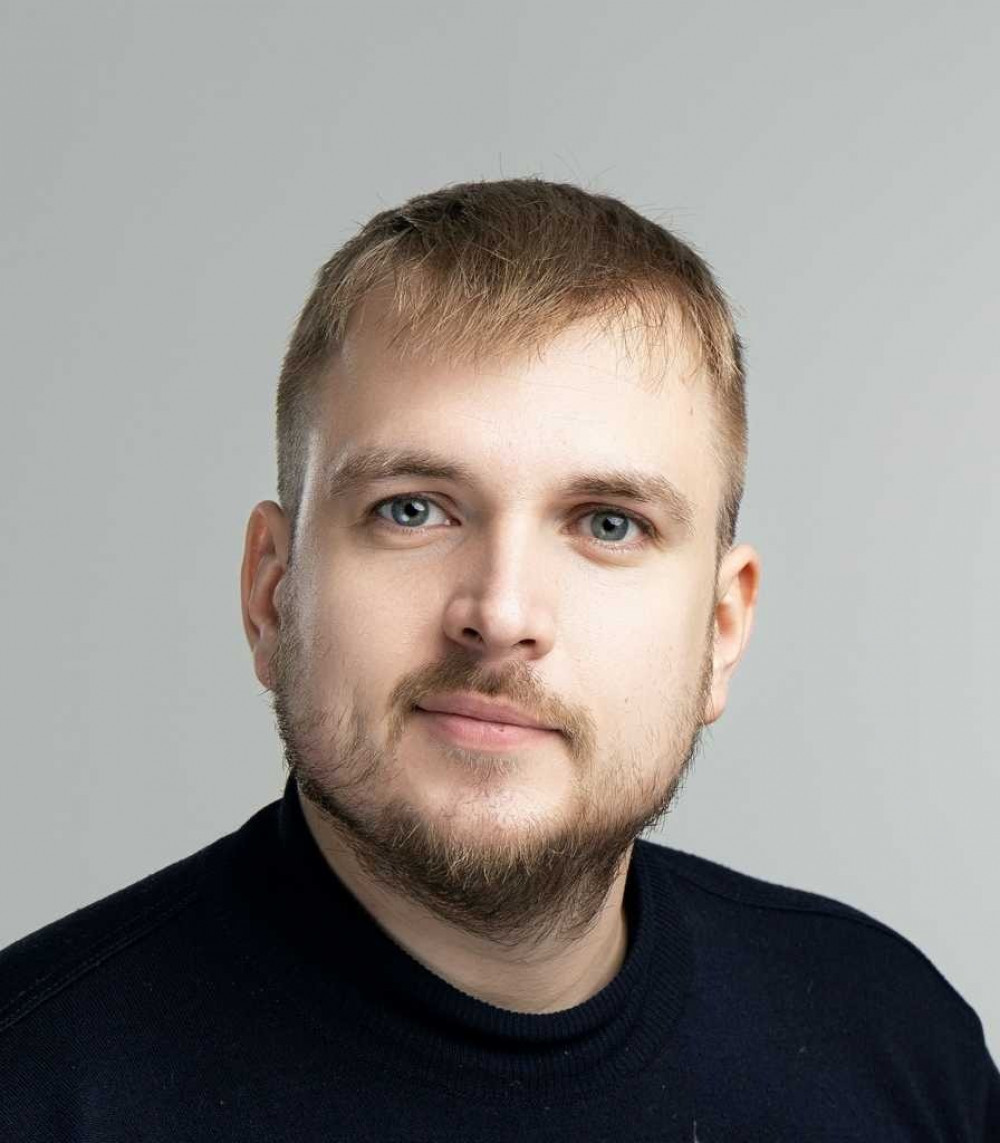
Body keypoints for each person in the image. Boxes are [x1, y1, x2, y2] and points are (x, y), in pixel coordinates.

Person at [1, 178, 996, 1141]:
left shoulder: (895, 1044)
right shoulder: (34, 1087)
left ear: (721, 630)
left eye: (608, 523)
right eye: (412, 509)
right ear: (272, 592)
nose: (502, 612)